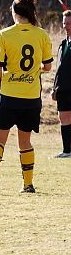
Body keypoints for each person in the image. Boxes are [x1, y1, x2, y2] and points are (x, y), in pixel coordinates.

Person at [0, 0, 53, 195]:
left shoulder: (4, 35)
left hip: (8, 97)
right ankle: (28, 184)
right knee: (25, 143)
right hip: (31, 99)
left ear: (14, 11)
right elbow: (47, 67)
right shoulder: (42, 35)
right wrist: (33, 70)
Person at [50, 10, 71, 158]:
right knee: (63, 118)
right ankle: (66, 150)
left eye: (69, 23)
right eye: (64, 23)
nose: (66, 26)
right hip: (62, 89)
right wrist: (54, 87)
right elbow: (58, 68)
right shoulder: (63, 44)